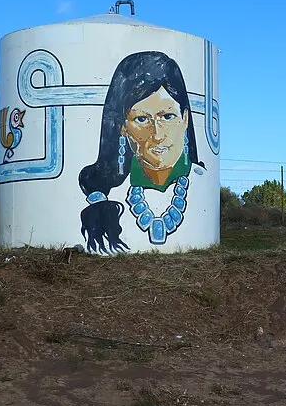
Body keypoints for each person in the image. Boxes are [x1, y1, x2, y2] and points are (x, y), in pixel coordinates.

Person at [79, 51, 205, 254]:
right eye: (142, 119)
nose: (157, 134)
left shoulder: (203, 185)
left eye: (167, 116)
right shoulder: (112, 196)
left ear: (185, 119)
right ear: (123, 126)